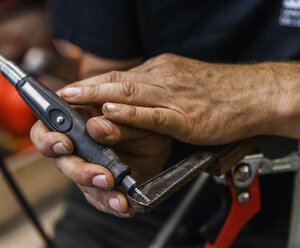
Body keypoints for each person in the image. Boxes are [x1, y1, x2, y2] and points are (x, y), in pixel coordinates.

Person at [30, 1, 300, 247]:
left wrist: (262, 91)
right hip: (130, 200)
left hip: (284, 202)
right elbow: (105, 68)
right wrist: (113, 131)